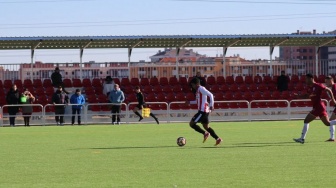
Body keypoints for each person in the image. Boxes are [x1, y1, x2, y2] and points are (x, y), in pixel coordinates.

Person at [293, 73, 336, 144]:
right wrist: (299, 96)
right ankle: (302, 139)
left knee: (306, 120)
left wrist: (333, 100)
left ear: (311, 78)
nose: (305, 80)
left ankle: (302, 139)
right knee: (327, 123)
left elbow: (328, 90)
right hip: (319, 107)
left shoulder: (318, 85)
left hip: (319, 107)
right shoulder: (309, 87)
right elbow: (307, 95)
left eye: (306, 79)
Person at [186, 77, 222, 146]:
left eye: (192, 85)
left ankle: (205, 133)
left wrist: (212, 105)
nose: (192, 87)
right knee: (206, 127)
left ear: (196, 84)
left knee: (192, 124)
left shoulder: (201, 89)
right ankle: (218, 139)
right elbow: (198, 101)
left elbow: (211, 95)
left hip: (202, 112)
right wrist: (190, 102)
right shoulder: (198, 91)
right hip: (204, 111)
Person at [324, 75, 336, 141]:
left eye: (327, 82)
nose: (326, 83)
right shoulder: (333, 87)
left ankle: (332, 138)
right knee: (331, 120)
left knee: (330, 121)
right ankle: (332, 137)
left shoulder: (334, 87)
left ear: (331, 81)